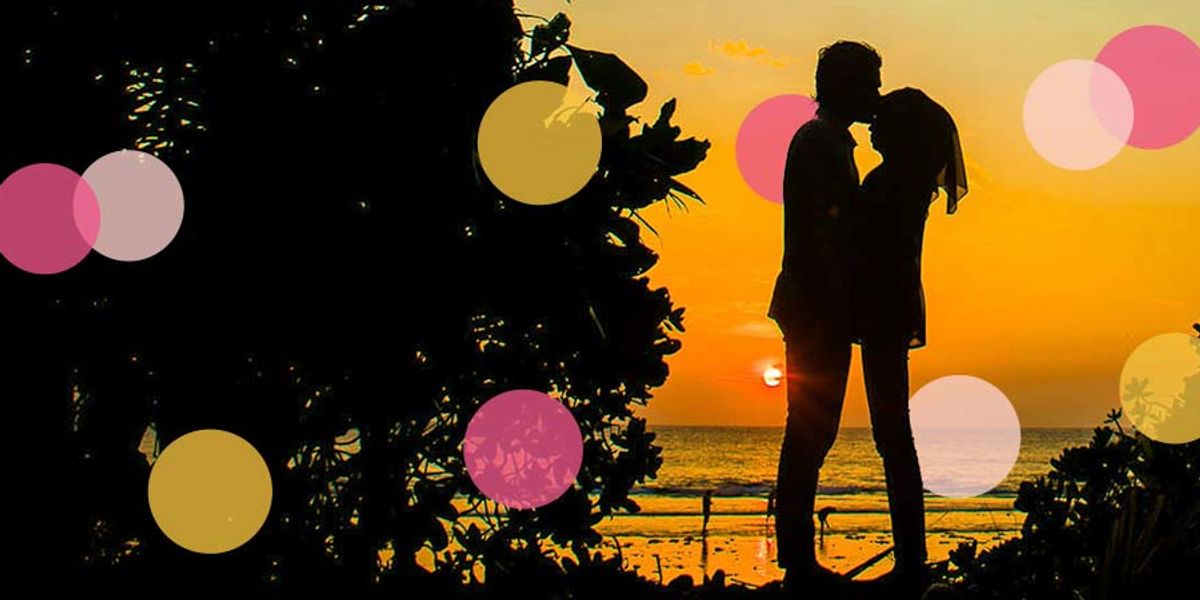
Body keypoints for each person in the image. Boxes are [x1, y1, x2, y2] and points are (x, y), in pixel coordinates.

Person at [766, 39, 881, 591]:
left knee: (814, 430)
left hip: (820, 305)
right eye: (869, 82)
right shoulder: (818, 143)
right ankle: (796, 562)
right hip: (815, 305)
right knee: (809, 430)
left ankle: (796, 559)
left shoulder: (831, 141)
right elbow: (819, 234)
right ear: (843, 86)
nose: (876, 93)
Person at [851, 87, 968, 592]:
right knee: (894, 433)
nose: (872, 128)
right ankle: (910, 557)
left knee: (892, 432)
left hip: (882, 310)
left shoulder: (890, 182)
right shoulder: (911, 182)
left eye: (881, 123)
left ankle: (910, 562)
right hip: (891, 308)